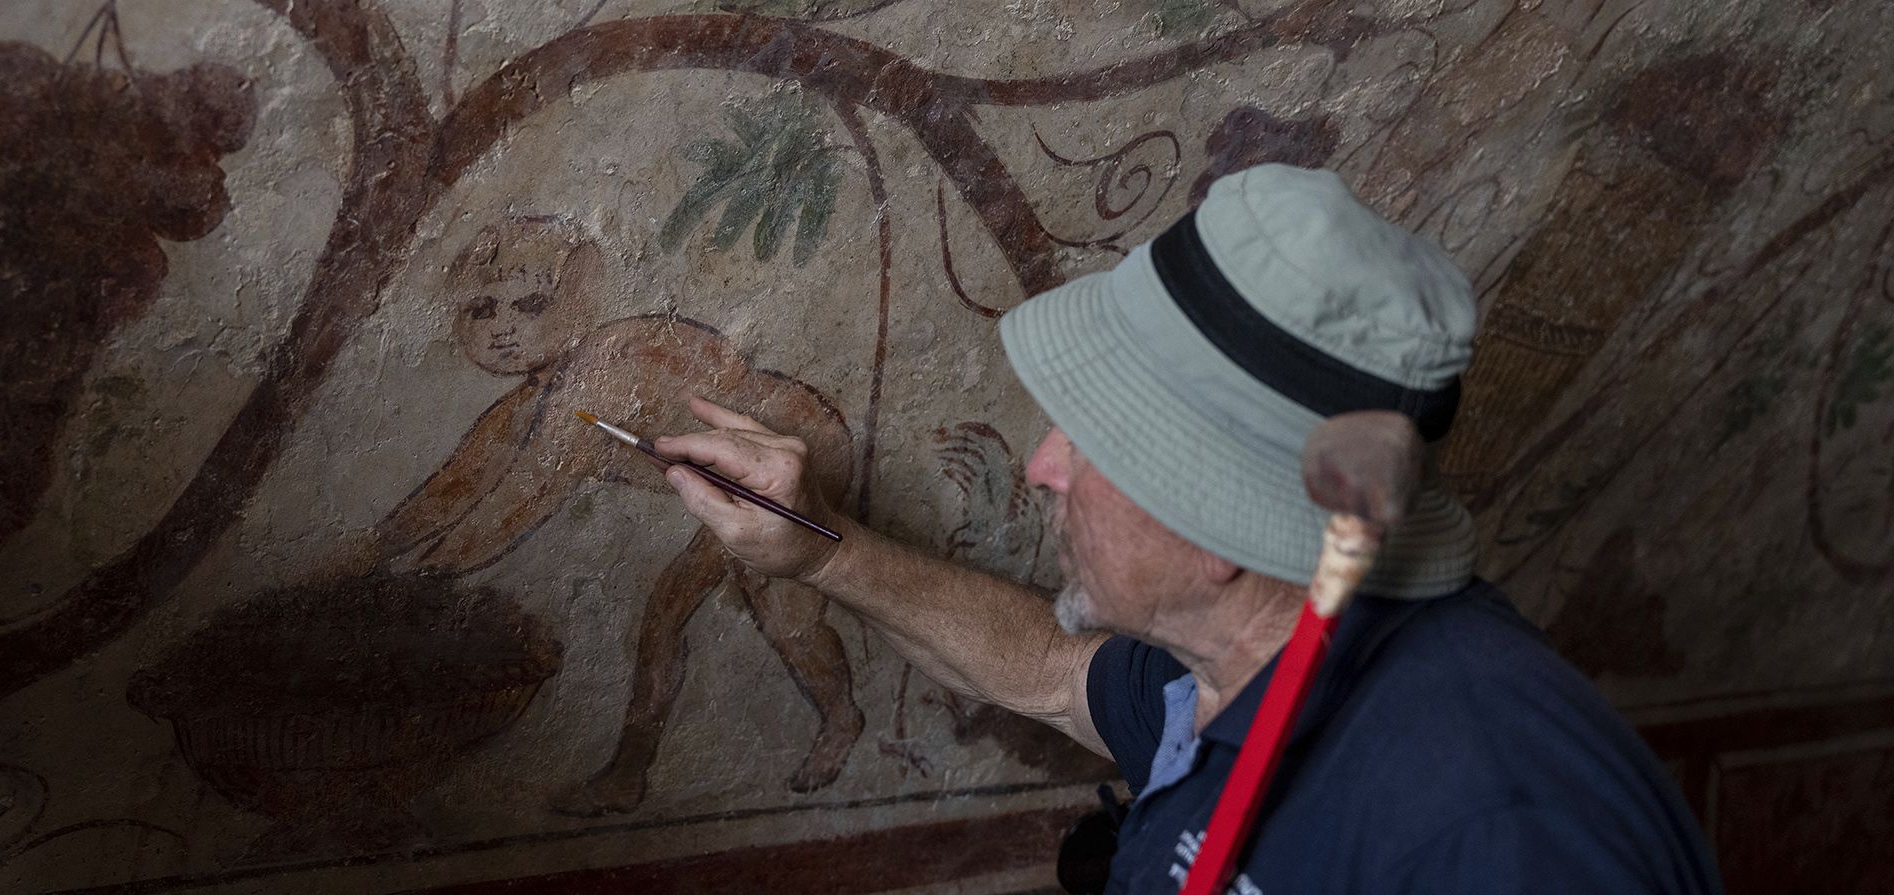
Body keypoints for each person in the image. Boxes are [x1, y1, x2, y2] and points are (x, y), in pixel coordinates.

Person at [649, 166, 1722, 893]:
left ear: (1223, 530)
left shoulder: (1501, 830)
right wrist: (820, 543)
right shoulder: (1233, 650)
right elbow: (1047, 670)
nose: (1044, 466)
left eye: (1105, 442)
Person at [336, 215, 864, 815]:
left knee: (772, 613)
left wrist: (414, 582)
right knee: (669, 609)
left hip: (800, 448)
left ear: (578, 302)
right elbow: (458, 487)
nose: (503, 328)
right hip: (742, 468)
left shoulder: (594, 379)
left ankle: (839, 719)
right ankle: (628, 774)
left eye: (531, 303)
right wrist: (364, 556)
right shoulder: (537, 399)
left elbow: (517, 505)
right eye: (481, 309)